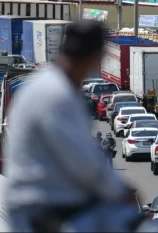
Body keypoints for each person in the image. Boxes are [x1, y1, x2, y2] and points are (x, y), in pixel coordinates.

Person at [4, 20, 147, 232]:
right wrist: (121, 191)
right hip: (41, 209)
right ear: (96, 57)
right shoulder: (57, 95)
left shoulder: (43, 85)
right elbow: (85, 164)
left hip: (39, 202)